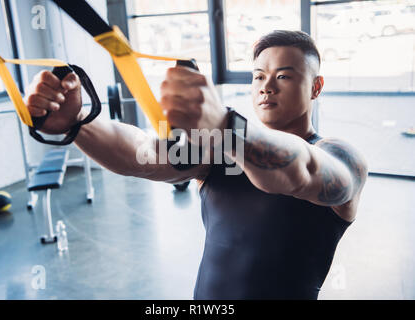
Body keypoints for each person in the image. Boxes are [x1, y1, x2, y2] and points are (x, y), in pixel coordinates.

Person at [24, 30, 368, 299]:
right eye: (259, 76)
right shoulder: (219, 150)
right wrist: (79, 121)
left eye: (284, 76)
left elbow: (300, 171)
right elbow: (141, 154)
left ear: (316, 87)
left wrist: (224, 125)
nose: (266, 87)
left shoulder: (341, 158)